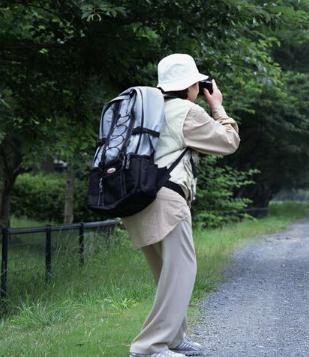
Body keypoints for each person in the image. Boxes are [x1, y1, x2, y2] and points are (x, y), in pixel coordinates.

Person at [123, 54, 240, 356]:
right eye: (198, 85)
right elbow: (228, 143)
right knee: (182, 270)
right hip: (167, 198)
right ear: (191, 85)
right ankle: (149, 346)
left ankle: (174, 337)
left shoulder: (146, 109)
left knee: (167, 273)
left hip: (136, 198)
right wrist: (217, 106)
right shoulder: (187, 111)